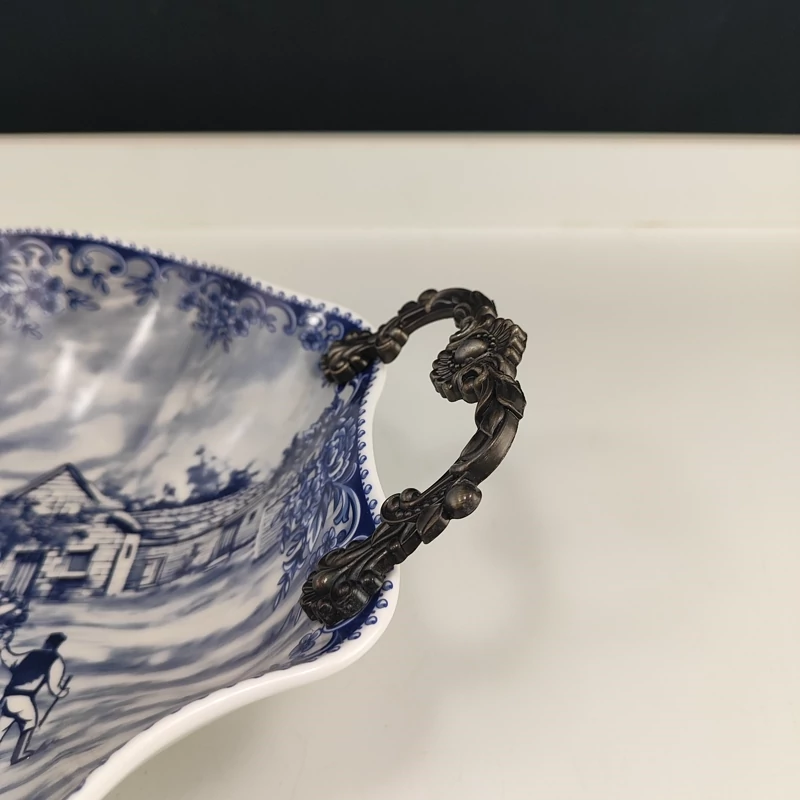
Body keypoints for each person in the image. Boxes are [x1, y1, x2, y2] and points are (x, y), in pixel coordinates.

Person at [0, 631, 69, 764]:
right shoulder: (55, 660)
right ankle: (18, 755)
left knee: (3, 723)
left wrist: (3, 648)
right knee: (29, 722)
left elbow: (11, 661)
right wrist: (62, 692)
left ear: (47, 642)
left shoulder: (31, 654)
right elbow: (54, 687)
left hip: (8, 697)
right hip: (24, 698)